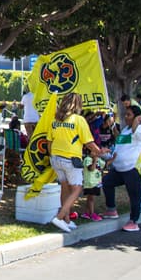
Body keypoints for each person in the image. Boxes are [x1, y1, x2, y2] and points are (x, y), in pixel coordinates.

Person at [45, 93, 106, 233]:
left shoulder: (55, 120)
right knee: (77, 189)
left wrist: (51, 155)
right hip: (71, 159)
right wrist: (99, 151)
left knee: (64, 188)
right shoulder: (79, 120)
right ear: (78, 104)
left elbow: (49, 141)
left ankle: (66, 220)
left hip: (55, 157)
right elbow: (89, 142)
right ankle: (60, 217)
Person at [104, 104, 141, 231]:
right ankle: (111, 209)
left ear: (137, 117)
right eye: (126, 115)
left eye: (129, 115)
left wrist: (137, 121)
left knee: (134, 196)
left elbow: (137, 134)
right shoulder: (126, 130)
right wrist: (112, 125)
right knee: (107, 182)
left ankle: (134, 221)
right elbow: (119, 141)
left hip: (132, 169)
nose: (126, 117)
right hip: (119, 169)